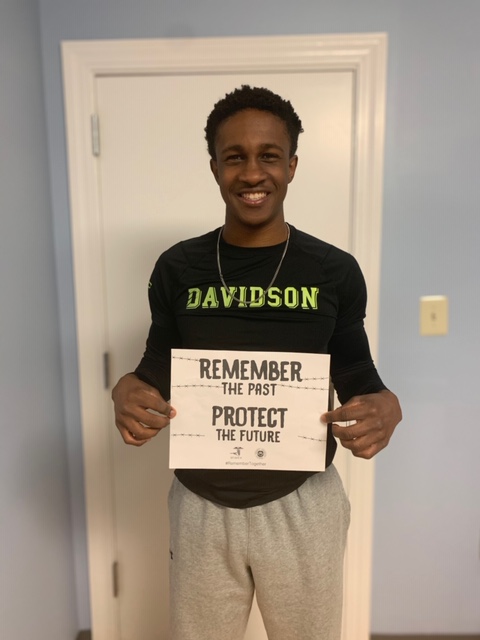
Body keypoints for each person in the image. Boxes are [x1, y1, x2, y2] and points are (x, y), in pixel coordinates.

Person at [112, 85, 402, 640]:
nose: (252, 173)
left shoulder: (334, 270)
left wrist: (384, 404)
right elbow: (157, 364)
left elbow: (357, 373)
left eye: (269, 155)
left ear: (291, 166)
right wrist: (126, 390)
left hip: (302, 499)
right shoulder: (178, 267)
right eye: (234, 157)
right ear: (215, 166)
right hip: (200, 501)